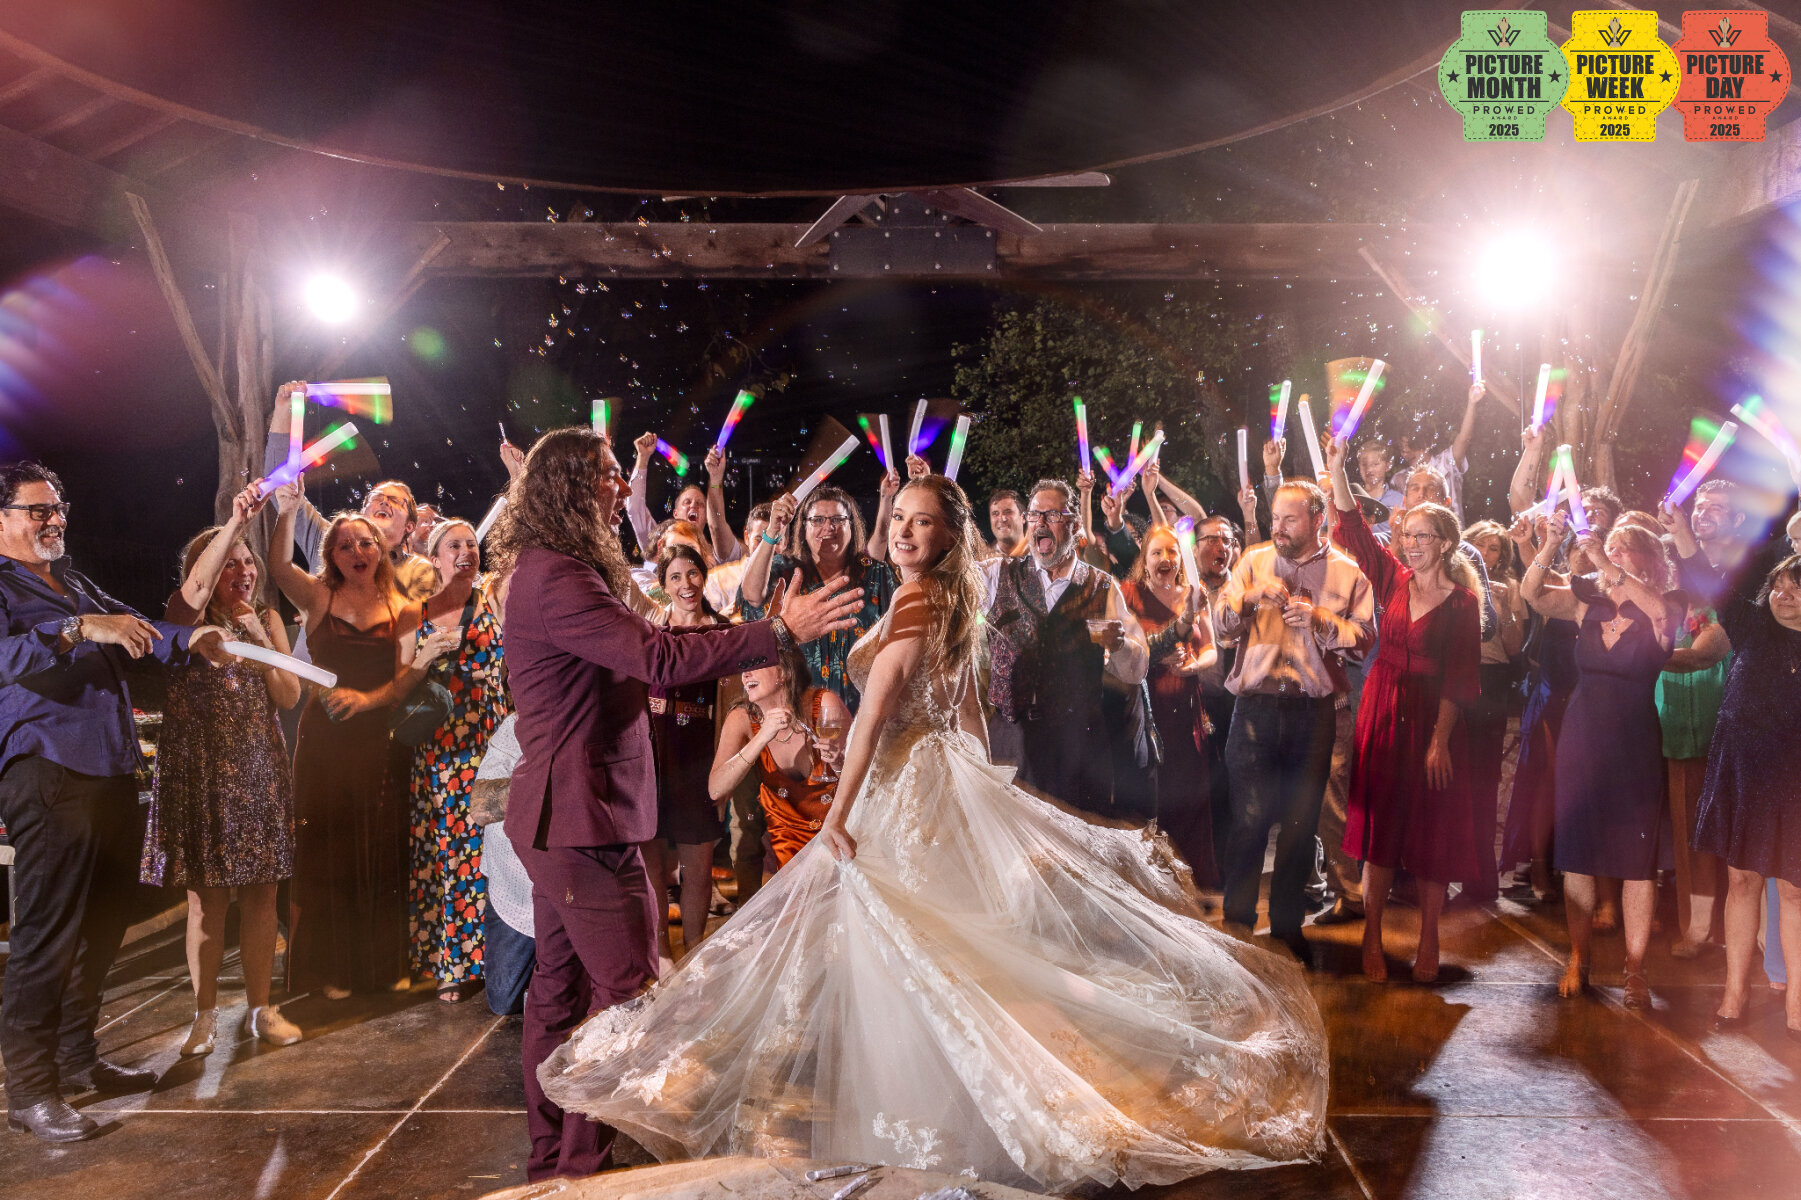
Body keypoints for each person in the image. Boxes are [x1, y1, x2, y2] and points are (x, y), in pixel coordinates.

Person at [536, 474, 1328, 1192]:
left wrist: (835, 821)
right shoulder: (952, 600)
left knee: (910, 953)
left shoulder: (918, 602)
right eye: (901, 521)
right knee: (939, 951)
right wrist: (985, 784)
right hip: (939, 780)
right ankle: (944, 1111)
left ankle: (922, 1120)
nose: (907, 533)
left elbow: (875, 718)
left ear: (952, 535)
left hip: (904, 789)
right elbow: (972, 713)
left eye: (922, 523)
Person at [486, 426, 865, 1181]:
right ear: (563, 487)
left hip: (573, 814)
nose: (616, 488)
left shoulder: (557, 568)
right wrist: (776, 631)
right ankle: (585, 1173)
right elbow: (657, 660)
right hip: (579, 815)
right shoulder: (556, 576)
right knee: (625, 1000)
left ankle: (556, 1168)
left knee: (558, 1000)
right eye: (601, 475)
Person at [0, 463, 231, 1142]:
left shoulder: (68, 580)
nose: (54, 520)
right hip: (46, 774)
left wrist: (195, 639)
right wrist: (75, 630)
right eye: (38, 511)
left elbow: (133, 627)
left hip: (108, 771)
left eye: (58, 507)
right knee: (45, 938)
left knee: (103, 925)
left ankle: (77, 1058)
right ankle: (29, 1089)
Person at [270, 492, 462, 999]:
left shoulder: (402, 608)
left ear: (381, 548)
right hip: (322, 739)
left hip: (376, 739)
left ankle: (375, 968)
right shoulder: (317, 597)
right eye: (344, 544)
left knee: (377, 846)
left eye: (366, 542)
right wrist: (287, 508)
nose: (357, 550)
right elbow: (275, 563)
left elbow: (402, 685)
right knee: (325, 847)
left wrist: (365, 699)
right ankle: (325, 972)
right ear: (332, 555)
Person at [142, 485, 304, 1058]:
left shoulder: (266, 619)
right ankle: (205, 1013)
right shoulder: (182, 620)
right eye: (230, 561)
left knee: (263, 896)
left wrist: (260, 637)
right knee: (207, 902)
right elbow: (194, 591)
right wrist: (235, 525)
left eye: (247, 561)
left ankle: (261, 1009)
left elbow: (287, 697)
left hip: (259, 768)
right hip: (203, 772)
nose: (243, 569)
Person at [1327, 439, 1483, 982]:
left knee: (1431, 834)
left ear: (1444, 543)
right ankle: (1371, 937)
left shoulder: (1462, 604)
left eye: (1422, 537)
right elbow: (1353, 526)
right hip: (1380, 715)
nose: (1411, 544)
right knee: (1380, 833)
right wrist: (1337, 467)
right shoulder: (1392, 577)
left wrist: (1439, 740)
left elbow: (1461, 679)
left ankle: (1429, 941)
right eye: (1407, 535)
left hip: (1430, 726)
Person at [1520, 512, 1679, 1006]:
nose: (1613, 553)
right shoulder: (1586, 606)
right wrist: (1548, 545)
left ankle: (1635, 969)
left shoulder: (1667, 606)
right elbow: (1532, 594)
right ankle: (1578, 956)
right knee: (1578, 856)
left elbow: (1656, 614)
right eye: (1610, 545)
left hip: (1634, 743)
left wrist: (1605, 565)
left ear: (1648, 560)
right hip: (1582, 737)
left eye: (1625, 547)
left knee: (1636, 863)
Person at [1214, 479, 1374, 958]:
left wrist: (1324, 621)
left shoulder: (1348, 573)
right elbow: (1221, 624)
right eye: (1274, 519)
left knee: (1302, 824)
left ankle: (1286, 926)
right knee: (1247, 821)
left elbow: (1366, 641)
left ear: (1317, 519)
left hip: (1312, 711)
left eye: (1289, 519)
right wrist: (1247, 599)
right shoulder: (1253, 561)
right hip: (1255, 708)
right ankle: (1237, 924)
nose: (1277, 528)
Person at [1682, 552, 1801, 1036]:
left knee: (1795, 889)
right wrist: (1685, 538)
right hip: (1744, 772)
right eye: (1778, 585)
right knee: (1743, 882)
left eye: (1795, 588)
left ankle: (1797, 1000)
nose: (1783, 594)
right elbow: (1711, 581)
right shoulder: (1751, 625)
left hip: (1795, 780)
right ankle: (1735, 991)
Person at [980, 478, 1148, 816]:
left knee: (1074, 846)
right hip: (1010, 738)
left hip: (1077, 743)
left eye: (1052, 515)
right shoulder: (998, 574)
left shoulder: (1102, 586)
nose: (1040, 523)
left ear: (1072, 524)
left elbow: (1137, 667)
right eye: (1034, 515)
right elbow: (951, 582)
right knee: (1012, 846)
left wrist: (1118, 645)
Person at [408, 519, 511, 1002]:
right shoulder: (416, 613)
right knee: (449, 855)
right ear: (434, 557)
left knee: (493, 853)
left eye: (472, 543)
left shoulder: (491, 599)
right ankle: (451, 961)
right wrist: (424, 656)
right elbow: (398, 683)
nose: (466, 551)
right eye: (454, 545)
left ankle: (499, 958)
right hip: (443, 753)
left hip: (493, 748)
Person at [266, 382, 437, 602]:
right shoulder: (328, 541)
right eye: (376, 498)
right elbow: (279, 486)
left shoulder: (418, 571)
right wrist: (282, 411)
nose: (384, 503)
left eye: (396, 501)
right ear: (362, 511)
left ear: (409, 526)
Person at [643, 544, 733, 964]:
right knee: (654, 868)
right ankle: (661, 958)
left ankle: (695, 954)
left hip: (701, 756)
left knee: (698, 866)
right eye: (675, 577)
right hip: (655, 755)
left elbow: (731, 705)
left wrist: (726, 779)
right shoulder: (651, 630)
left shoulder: (722, 632)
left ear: (705, 577)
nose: (686, 584)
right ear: (663, 587)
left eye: (693, 574)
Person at [740, 485, 898, 711]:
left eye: (837, 519)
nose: (828, 527)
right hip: (798, 714)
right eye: (817, 520)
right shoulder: (785, 570)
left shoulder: (877, 574)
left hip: (865, 712)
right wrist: (772, 532)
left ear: (851, 526)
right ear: (803, 527)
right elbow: (752, 595)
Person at [1120, 524, 1218, 883]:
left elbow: (1210, 649)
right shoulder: (1129, 594)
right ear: (1144, 562)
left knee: (1191, 793)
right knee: (1155, 795)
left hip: (1186, 708)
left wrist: (1195, 665)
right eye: (1157, 552)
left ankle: (1196, 881)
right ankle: (1159, 883)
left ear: (1181, 559)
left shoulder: (1194, 594)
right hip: (1148, 710)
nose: (1165, 559)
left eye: (1172, 552)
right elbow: (1132, 645)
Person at [708, 639, 850, 867]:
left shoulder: (824, 705)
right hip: (789, 844)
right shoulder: (742, 719)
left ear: (783, 672)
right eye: (743, 667)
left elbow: (864, 781)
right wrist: (763, 736)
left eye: (754, 665)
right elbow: (715, 789)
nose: (745, 675)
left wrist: (840, 762)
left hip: (838, 830)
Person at [1462, 519, 1527, 906]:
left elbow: (1516, 648)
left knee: (1484, 779)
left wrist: (1506, 609)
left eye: (1495, 549)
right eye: (1480, 546)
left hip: (1492, 679)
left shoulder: (1510, 587)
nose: (1486, 554)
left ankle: (1481, 877)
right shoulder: (1450, 576)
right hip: (1452, 677)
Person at [468, 713, 535, 1017]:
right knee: (503, 1000)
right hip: (517, 884)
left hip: (571, 885)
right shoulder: (517, 724)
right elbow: (480, 807)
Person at [1389, 381, 1485, 522]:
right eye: (1402, 447)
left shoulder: (1447, 462)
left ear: (1426, 443)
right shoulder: (1400, 478)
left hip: (1453, 538)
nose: (1405, 452)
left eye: (1411, 445)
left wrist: (1472, 403)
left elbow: (1464, 438)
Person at [987, 487, 1026, 557]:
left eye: (1008, 512)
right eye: (995, 513)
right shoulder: (979, 561)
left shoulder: (1041, 556)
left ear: (1023, 517)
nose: (1002, 519)